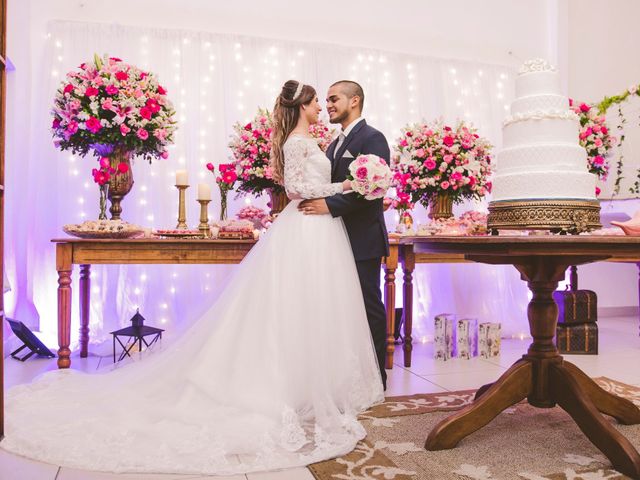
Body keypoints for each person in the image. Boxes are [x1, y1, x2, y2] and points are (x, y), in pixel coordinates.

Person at [0, 80, 384, 475]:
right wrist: (346, 184)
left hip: (321, 229)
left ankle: (316, 379)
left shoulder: (323, 140)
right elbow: (298, 187)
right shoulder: (298, 142)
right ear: (302, 106)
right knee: (292, 304)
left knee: (316, 306)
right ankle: (287, 384)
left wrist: (350, 186)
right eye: (318, 101)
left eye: (327, 100)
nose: (322, 106)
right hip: (308, 225)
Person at [299, 80, 391, 389]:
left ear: (355, 101)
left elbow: (373, 191)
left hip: (363, 238)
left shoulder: (373, 139)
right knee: (342, 310)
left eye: (334, 98)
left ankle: (378, 377)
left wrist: (329, 206)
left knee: (369, 307)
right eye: (325, 100)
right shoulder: (333, 144)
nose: (328, 105)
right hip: (333, 241)